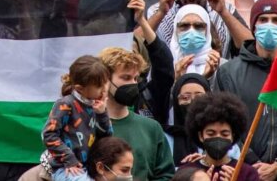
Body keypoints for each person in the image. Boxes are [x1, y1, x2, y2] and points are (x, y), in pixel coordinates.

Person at [210, 0, 277, 179]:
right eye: (263, 20)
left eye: (276, 20)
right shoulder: (229, 73)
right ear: (254, 27)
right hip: (244, 172)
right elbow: (224, 123)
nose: (269, 25)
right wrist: (252, 163)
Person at [98, 48, 173, 181]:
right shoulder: (87, 125)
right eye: (126, 77)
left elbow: (166, 175)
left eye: (135, 78)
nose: (133, 84)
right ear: (105, 81)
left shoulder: (151, 128)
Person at [37, 55, 111, 181]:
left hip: (88, 166)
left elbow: (107, 136)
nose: (104, 89)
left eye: (105, 83)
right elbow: (48, 135)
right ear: (79, 88)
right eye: (99, 86)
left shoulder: (95, 106)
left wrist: (102, 113)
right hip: (65, 167)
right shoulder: (65, 104)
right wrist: (68, 159)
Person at [180, 92, 261, 181]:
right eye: (211, 133)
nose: (218, 137)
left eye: (224, 134)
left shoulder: (247, 173)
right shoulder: (187, 172)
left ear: (232, 136)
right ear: (200, 136)